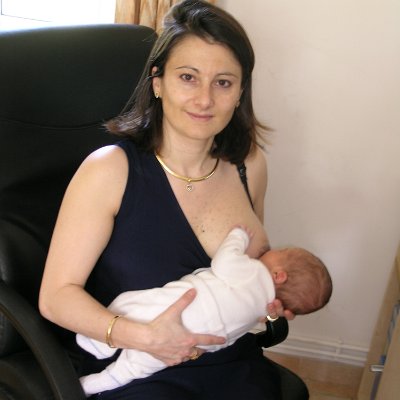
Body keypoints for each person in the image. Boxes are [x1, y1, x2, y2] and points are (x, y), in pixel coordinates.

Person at [39, 0, 295, 398]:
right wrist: (144, 337)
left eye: (223, 82)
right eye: (188, 77)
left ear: (240, 91)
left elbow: (249, 275)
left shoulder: (250, 165)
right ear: (157, 82)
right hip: (137, 367)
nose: (205, 99)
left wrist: (266, 303)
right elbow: (55, 298)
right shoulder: (108, 170)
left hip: (231, 362)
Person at [77, 227, 332, 396]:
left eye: (280, 252)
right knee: (134, 368)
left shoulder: (254, 272)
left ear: (279, 275)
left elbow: (224, 261)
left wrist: (238, 237)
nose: (270, 251)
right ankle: (93, 384)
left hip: (171, 309)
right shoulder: (259, 311)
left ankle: (97, 343)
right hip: (187, 345)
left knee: (126, 304)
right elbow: (226, 339)